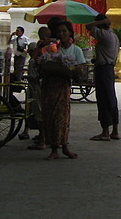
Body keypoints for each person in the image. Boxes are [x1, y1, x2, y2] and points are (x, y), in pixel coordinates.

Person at [40, 20, 85, 160]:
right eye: (59, 31)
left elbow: (82, 68)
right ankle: (54, 148)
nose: (62, 33)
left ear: (70, 32)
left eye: (64, 31)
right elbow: (42, 62)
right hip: (49, 86)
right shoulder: (53, 48)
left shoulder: (76, 50)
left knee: (62, 118)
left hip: (63, 87)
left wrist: (72, 69)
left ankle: (64, 146)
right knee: (50, 117)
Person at [85, 14, 120, 141]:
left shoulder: (104, 35)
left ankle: (105, 131)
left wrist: (100, 22)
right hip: (109, 68)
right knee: (111, 97)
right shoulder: (114, 36)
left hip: (103, 69)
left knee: (103, 98)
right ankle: (115, 130)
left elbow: (88, 27)